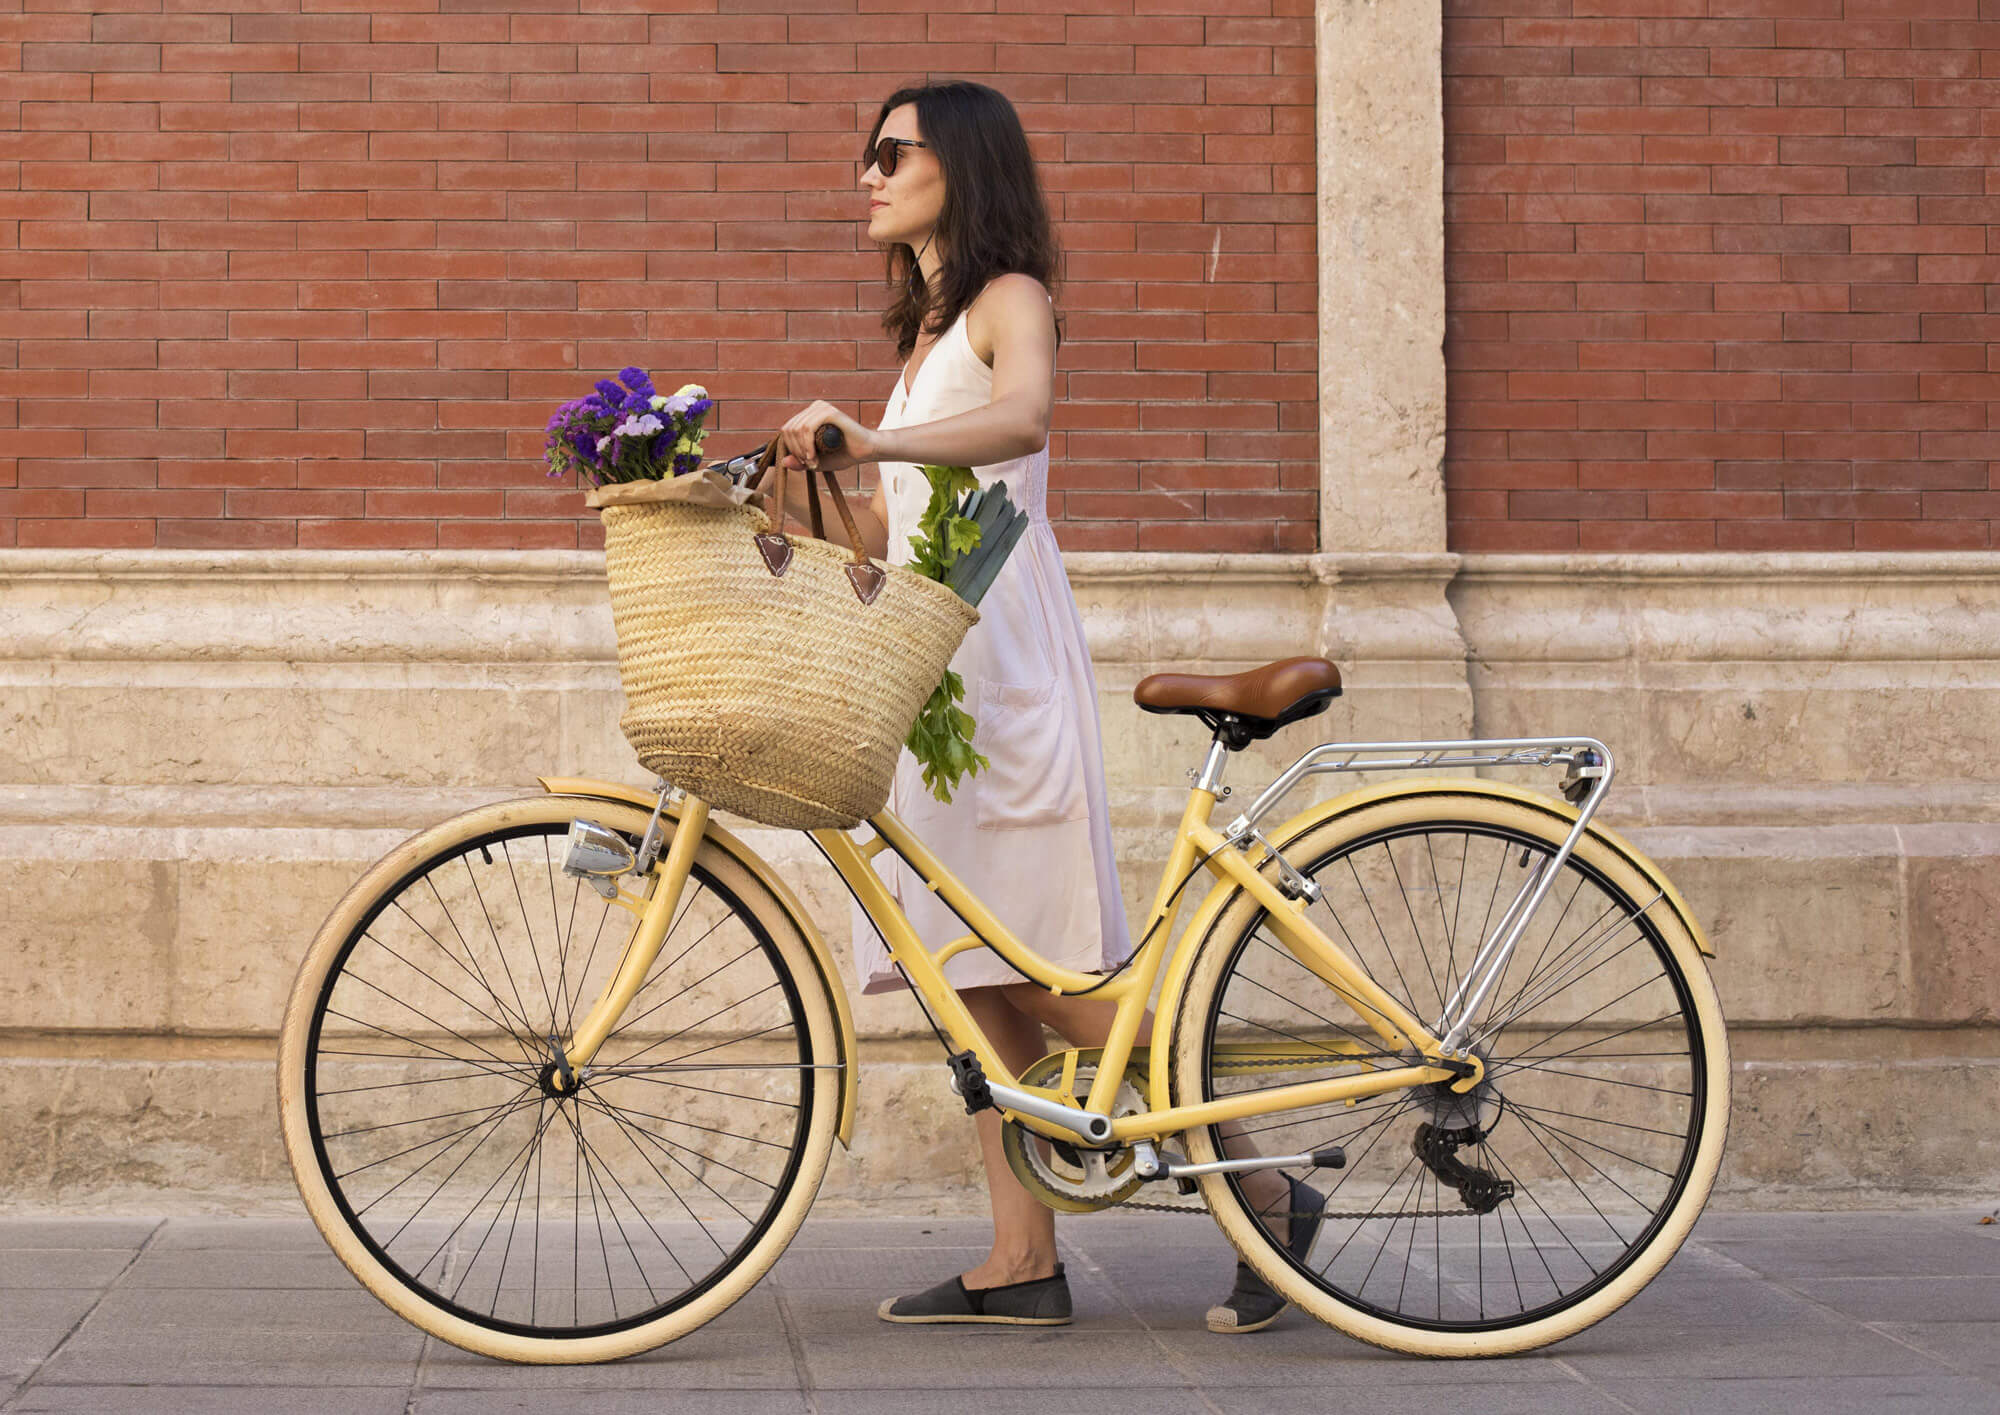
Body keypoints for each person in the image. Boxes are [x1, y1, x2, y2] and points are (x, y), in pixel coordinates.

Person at [769, 79, 1326, 1334]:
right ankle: (1021, 1255)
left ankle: (1263, 1189)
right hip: (929, 663)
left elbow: (1022, 417)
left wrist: (868, 437)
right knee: (959, 964)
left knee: (1046, 965)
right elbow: (893, 522)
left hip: (1000, 654)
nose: (866, 171)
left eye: (890, 152)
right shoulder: (915, 340)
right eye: (866, 153)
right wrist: (800, 499)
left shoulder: (1004, 301)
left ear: (959, 166)